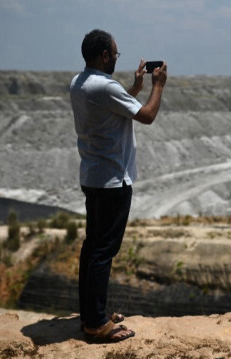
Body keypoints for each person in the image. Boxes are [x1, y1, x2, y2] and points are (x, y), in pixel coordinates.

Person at [70, 29, 167, 342]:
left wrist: (134, 89)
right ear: (105, 56)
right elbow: (148, 116)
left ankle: (91, 313)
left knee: (92, 247)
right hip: (113, 180)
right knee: (103, 251)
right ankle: (96, 324)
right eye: (115, 54)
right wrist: (157, 86)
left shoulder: (80, 82)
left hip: (93, 177)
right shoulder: (105, 86)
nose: (116, 58)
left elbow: (111, 108)